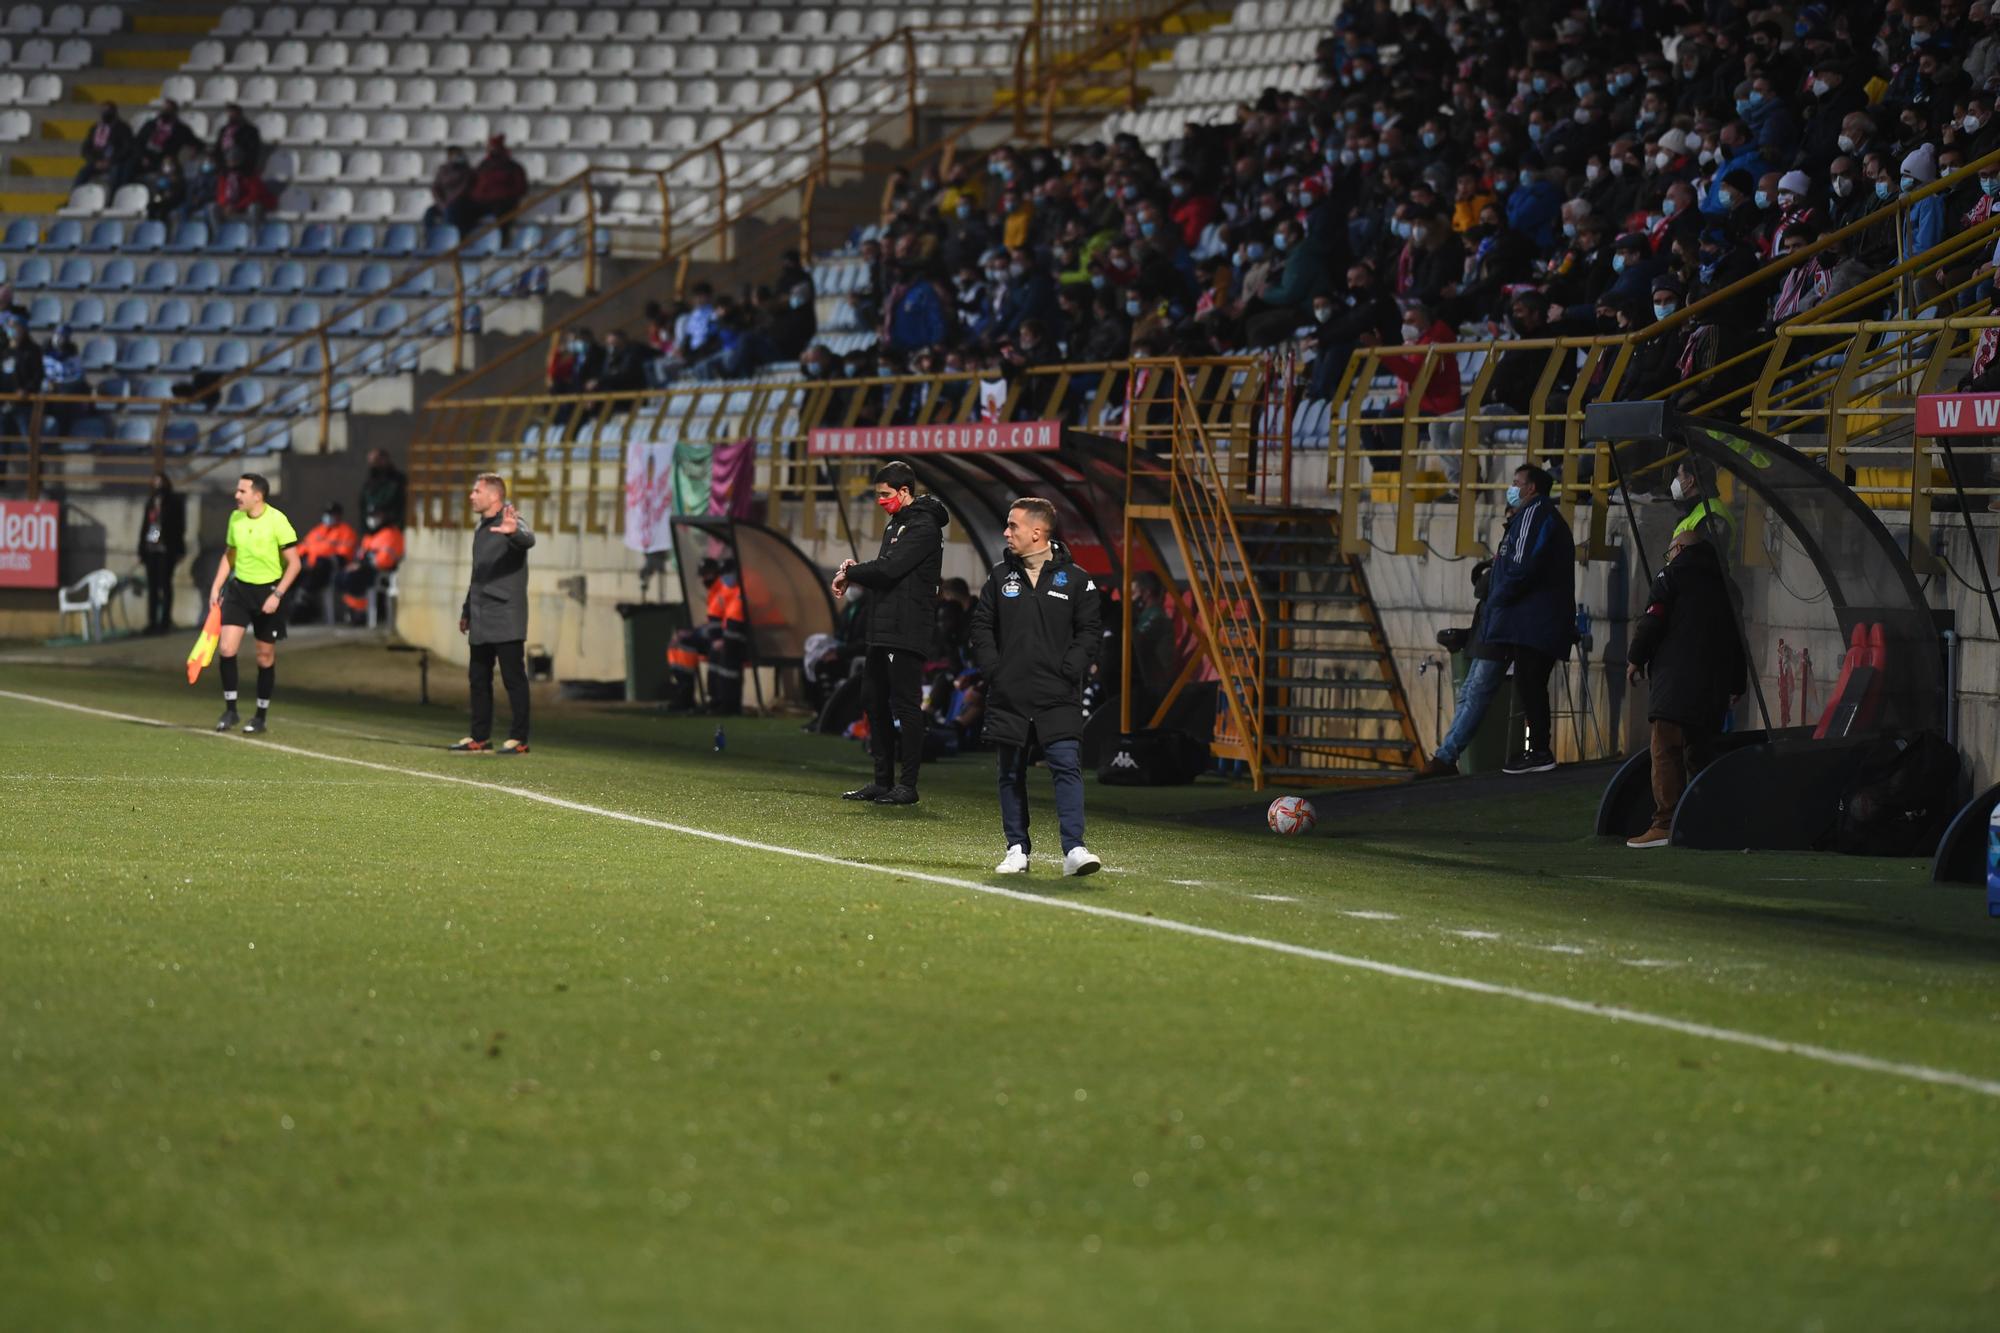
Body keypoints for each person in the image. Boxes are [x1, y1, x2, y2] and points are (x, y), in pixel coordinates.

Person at [968, 496, 1103, 876]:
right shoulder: (999, 577)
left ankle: (1074, 849)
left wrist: (1069, 668)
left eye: (1013, 526)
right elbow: (981, 627)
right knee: (1010, 772)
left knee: (1065, 766)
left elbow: (1090, 632)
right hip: (1009, 691)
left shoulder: (1077, 579)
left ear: (1037, 532)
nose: (1006, 532)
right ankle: (1016, 849)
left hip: (1056, 692)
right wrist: (994, 669)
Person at [831, 460, 949, 805]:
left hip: (907, 628)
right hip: (884, 628)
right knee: (872, 700)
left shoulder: (924, 526)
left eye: (885, 495)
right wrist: (857, 571)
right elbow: (885, 571)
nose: (881, 501)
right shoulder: (898, 523)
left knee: (906, 705)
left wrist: (852, 574)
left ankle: (907, 785)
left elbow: (890, 569)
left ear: (904, 492)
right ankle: (882, 781)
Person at [1624, 534, 1747, 848]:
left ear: (1679, 550)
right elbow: (1736, 639)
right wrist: (1736, 683)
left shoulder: (1672, 575)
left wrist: (1636, 658)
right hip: (1713, 687)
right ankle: (1706, 822)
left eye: (1670, 551)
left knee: (1665, 750)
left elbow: (1653, 620)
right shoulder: (1728, 586)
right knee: (1700, 753)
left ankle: (1665, 824)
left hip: (1675, 682)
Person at [1480, 464, 1575, 775]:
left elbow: (1520, 567)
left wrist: (1496, 601)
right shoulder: (1530, 515)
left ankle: (1539, 751)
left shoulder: (1535, 514)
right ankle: (1537, 750)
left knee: (1530, 682)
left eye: (1516, 482)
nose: (1512, 487)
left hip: (1537, 620)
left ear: (1531, 488)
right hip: (1534, 620)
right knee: (1529, 683)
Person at [205, 472, 301, 736]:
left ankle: (260, 716)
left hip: (268, 592)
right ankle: (231, 710)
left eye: (242, 491)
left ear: (257, 496)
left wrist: (277, 595)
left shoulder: (277, 521)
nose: (236, 496)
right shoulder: (235, 519)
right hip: (239, 591)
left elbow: (295, 563)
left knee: (264, 656)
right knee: (226, 648)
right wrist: (217, 586)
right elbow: (230, 554)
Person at [453, 473, 534, 754]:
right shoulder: (482, 527)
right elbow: (478, 574)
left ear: (494, 496)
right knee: (478, 677)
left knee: (513, 678)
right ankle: (479, 737)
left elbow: (527, 539)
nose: (472, 496)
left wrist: (514, 532)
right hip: (481, 613)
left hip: (505, 614)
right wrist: (467, 609)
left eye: (477, 491)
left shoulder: (510, 519)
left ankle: (519, 739)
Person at [1418, 556, 1503, 778]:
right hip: (1487, 633)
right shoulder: (1516, 535)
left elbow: (1484, 585)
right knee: (1468, 694)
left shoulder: (1522, 534)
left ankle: (1445, 757)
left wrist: (1493, 570)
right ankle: (1445, 756)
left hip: (1497, 633)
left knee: (1475, 695)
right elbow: (1483, 584)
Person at [137, 472, 185, 635]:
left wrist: (179, 549)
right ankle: (152, 621)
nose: (157, 486)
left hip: (166, 548)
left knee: (165, 585)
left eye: (160, 482)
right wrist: (141, 549)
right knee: (152, 586)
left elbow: (179, 527)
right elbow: (145, 526)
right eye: (154, 482)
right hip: (151, 548)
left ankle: (165, 620)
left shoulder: (173, 502)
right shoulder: (151, 502)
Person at [294, 501, 358, 621]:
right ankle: (296, 603)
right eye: (327, 513)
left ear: (339, 515)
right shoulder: (317, 531)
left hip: (329, 568)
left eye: (332, 514)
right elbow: (302, 548)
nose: (329, 517)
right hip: (310, 567)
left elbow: (343, 556)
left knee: (319, 567)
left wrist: (323, 560)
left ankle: (303, 601)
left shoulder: (346, 532)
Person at [338, 510, 404, 625]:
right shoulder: (370, 535)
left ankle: (362, 612)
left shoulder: (391, 534)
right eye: (370, 516)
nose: (372, 520)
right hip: (366, 567)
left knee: (353, 577)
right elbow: (361, 554)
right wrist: (356, 564)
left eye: (376, 516)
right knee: (340, 576)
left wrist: (362, 565)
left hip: (381, 571)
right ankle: (354, 610)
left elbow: (385, 560)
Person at [74, 101, 132, 192]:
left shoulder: (123, 128)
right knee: (83, 172)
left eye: (108, 111)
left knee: (116, 173)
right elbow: (86, 149)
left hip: (114, 161)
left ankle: (113, 199)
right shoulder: (95, 128)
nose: (105, 114)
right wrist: (95, 161)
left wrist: (110, 161)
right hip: (97, 161)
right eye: (103, 111)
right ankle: (74, 196)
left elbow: (126, 148)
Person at [358, 449, 406, 528]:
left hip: (392, 525)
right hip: (372, 526)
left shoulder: (397, 480)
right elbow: (363, 504)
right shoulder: (370, 481)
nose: (374, 465)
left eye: (377, 460)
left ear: (385, 460)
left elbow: (399, 503)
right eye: (372, 462)